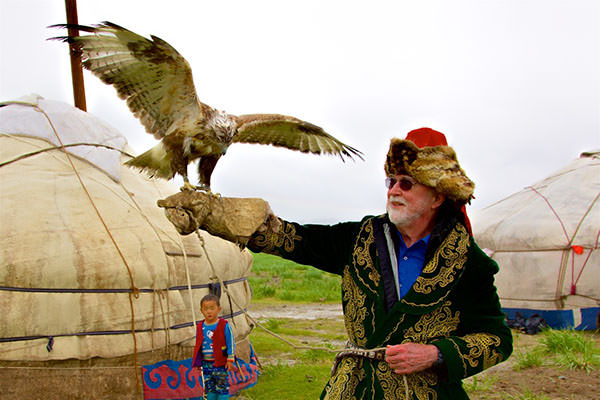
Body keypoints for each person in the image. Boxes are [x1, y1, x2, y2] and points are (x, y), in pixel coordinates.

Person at [246, 128, 513, 399]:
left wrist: (436, 354)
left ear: (437, 196)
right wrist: (223, 217)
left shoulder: (467, 261)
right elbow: (293, 239)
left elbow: (497, 339)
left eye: (406, 183)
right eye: (391, 181)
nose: (394, 190)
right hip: (353, 389)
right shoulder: (359, 238)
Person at [192, 294, 237, 400]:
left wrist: (230, 359)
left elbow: (230, 342)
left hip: (220, 363)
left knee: (221, 387)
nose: (209, 311)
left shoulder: (224, 325)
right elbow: (198, 345)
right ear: (201, 311)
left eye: (212, 308)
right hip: (206, 364)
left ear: (219, 309)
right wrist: (198, 361)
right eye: (205, 309)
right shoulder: (200, 326)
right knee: (209, 388)